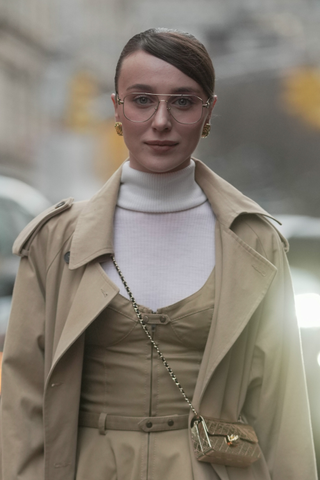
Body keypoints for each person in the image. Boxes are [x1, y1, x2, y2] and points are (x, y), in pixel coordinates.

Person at [0, 28, 317, 480]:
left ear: (208, 113)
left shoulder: (255, 241)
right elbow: (23, 398)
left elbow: (283, 408)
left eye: (183, 102)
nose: (161, 120)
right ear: (117, 109)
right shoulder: (56, 240)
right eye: (142, 99)